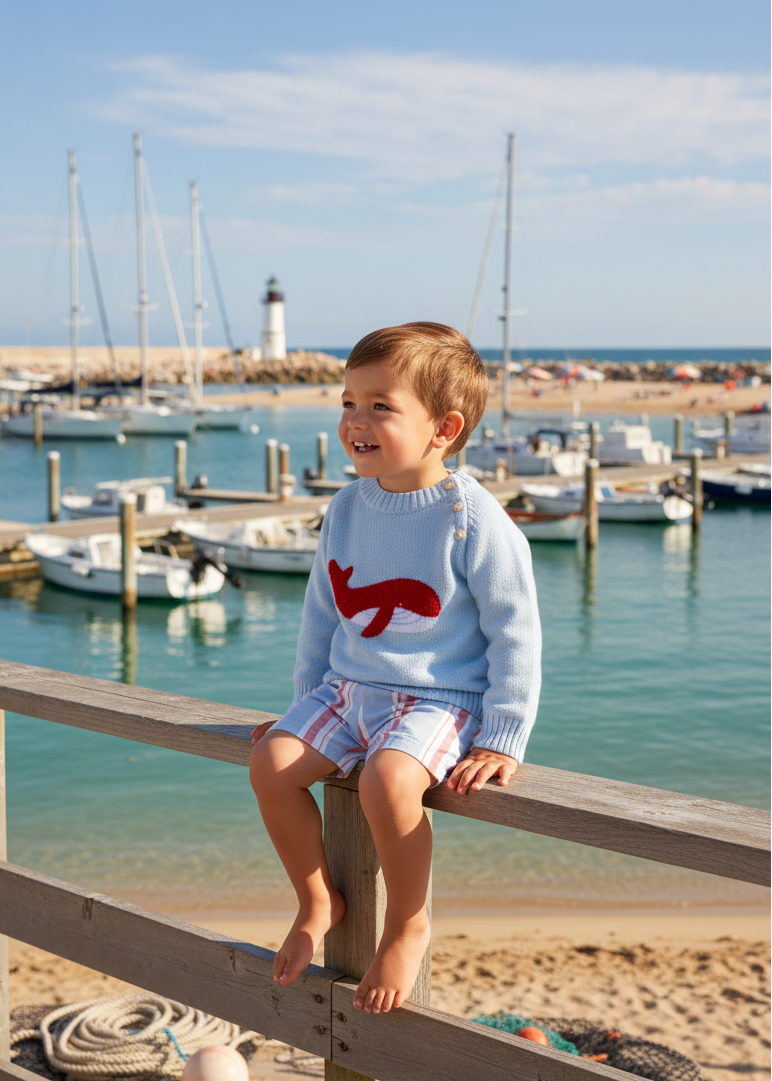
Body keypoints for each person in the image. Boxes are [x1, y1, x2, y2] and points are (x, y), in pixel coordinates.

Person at [249, 322, 541, 1015]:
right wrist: (302, 712)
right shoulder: (347, 506)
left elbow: (515, 628)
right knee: (270, 761)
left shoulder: (470, 514)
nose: (356, 421)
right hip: (347, 688)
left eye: (381, 405)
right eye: (349, 402)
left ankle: (407, 919)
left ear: (444, 427)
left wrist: (503, 735)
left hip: (438, 697)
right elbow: (321, 619)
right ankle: (318, 899)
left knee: (386, 780)